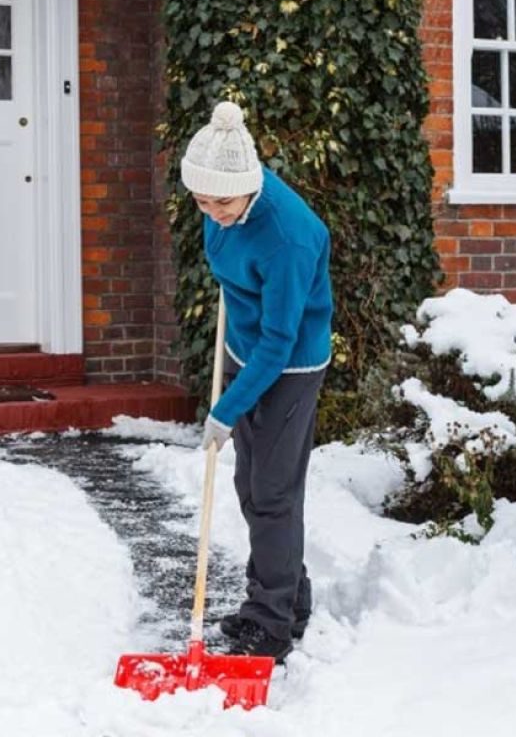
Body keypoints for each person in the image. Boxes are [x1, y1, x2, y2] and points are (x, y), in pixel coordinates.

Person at [180, 101, 334, 663]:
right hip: (248, 350)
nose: (210, 212)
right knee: (254, 488)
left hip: (288, 366)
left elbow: (280, 342)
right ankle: (288, 598)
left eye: (221, 202)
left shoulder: (289, 239)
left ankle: (271, 624)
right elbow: (230, 266)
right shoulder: (221, 196)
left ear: (248, 186)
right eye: (200, 201)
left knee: (271, 493)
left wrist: (227, 408)